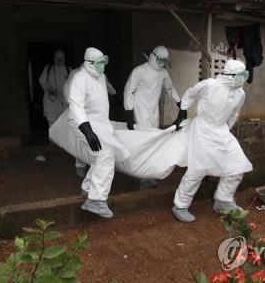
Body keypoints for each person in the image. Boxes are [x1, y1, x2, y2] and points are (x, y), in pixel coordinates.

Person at [171, 59, 253, 223]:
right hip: (202, 129)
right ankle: (180, 205)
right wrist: (183, 111)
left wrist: (227, 129)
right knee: (198, 168)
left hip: (221, 130)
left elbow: (234, 114)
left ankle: (223, 200)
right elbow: (191, 93)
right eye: (239, 75)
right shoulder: (210, 85)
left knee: (237, 164)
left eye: (244, 75)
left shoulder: (240, 93)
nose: (242, 79)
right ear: (230, 75)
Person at [64, 47, 129, 218]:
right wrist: (87, 130)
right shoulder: (80, 78)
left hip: (100, 124)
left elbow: (108, 89)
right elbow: (75, 105)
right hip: (82, 123)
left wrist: (116, 95)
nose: (102, 66)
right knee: (105, 156)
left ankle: (87, 189)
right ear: (89, 63)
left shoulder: (100, 76)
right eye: (99, 63)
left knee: (100, 156)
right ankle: (96, 200)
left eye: (103, 62)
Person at [123, 45, 181, 189]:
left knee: (152, 142)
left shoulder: (163, 73)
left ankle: (148, 174)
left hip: (153, 111)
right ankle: (141, 176)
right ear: (153, 57)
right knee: (143, 142)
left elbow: (170, 88)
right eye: (160, 61)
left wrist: (181, 105)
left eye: (164, 62)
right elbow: (128, 91)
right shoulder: (139, 71)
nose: (162, 64)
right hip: (140, 109)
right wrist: (129, 114)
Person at [39, 49, 69, 126]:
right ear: (54, 58)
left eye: (62, 58)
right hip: (51, 102)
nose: (60, 60)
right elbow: (42, 80)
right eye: (58, 58)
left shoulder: (68, 70)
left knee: (64, 126)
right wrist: (48, 89)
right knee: (52, 126)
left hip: (64, 104)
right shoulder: (48, 69)